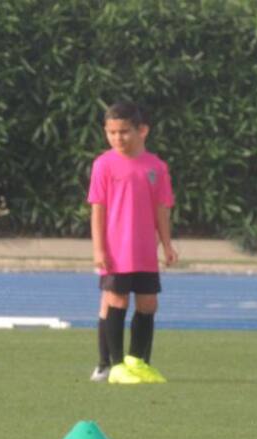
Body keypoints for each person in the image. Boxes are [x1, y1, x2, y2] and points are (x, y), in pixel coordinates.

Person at [87, 101, 178, 384]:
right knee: (116, 301)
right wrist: (99, 249)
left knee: (148, 304)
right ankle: (114, 365)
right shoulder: (103, 165)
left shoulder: (156, 168)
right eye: (111, 132)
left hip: (145, 253)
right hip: (116, 252)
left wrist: (167, 244)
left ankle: (138, 361)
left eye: (124, 132)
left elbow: (161, 209)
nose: (117, 138)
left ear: (142, 131)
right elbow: (97, 209)